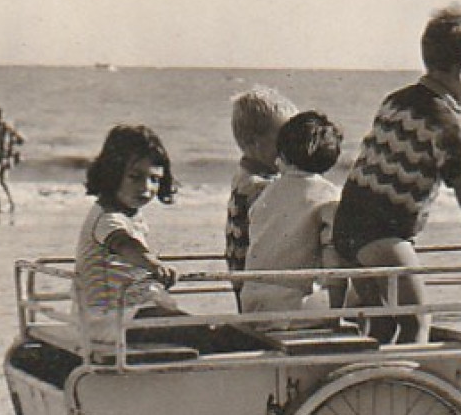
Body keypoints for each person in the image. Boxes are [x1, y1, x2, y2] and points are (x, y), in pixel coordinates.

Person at [331, 6, 461, 344]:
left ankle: (369, 383)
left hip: (346, 225)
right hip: (384, 236)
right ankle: (404, 386)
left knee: (381, 322)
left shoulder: (396, 100)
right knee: (417, 321)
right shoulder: (448, 123)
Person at [72, 125, 242, 360]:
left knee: (208, 330)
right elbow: (124, 244)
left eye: (155, 179)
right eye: (135, 177)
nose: (146, 188)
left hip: (128, 313)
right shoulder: (107, 218)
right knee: (208, 333)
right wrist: (152, 264)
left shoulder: (128, 215)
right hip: (111, 321)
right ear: (112, 172)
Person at [241, 111, 347, 317]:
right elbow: (333, 262)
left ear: (282, 153)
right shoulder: (328, 195)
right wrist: (337, 313)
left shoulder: (266, 191)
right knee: (359, 294)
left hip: (252, 303)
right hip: (293, 307)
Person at [225, 86, 300, 308]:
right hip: (253, 277)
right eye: (283, 141)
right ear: (252, 143)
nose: (290, 147)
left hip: (246, 272)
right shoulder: (255, 185)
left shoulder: (249, 174)